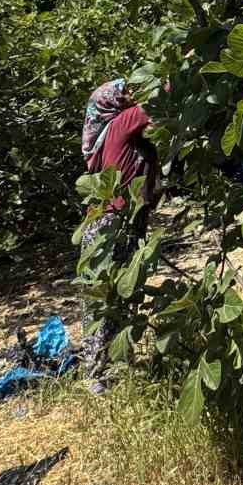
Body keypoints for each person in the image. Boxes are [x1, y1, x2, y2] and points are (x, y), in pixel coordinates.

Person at [78, 77, 161, 393]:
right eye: (124, 91)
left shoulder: (124, 134)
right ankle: (94, 375)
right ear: (107, 103)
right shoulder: (121, 123)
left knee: (122, 298)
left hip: (127, 224)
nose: (130, 95)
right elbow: (160, 98)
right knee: (103, 301)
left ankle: (116, 365)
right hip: (110, 227)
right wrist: (186, 61)